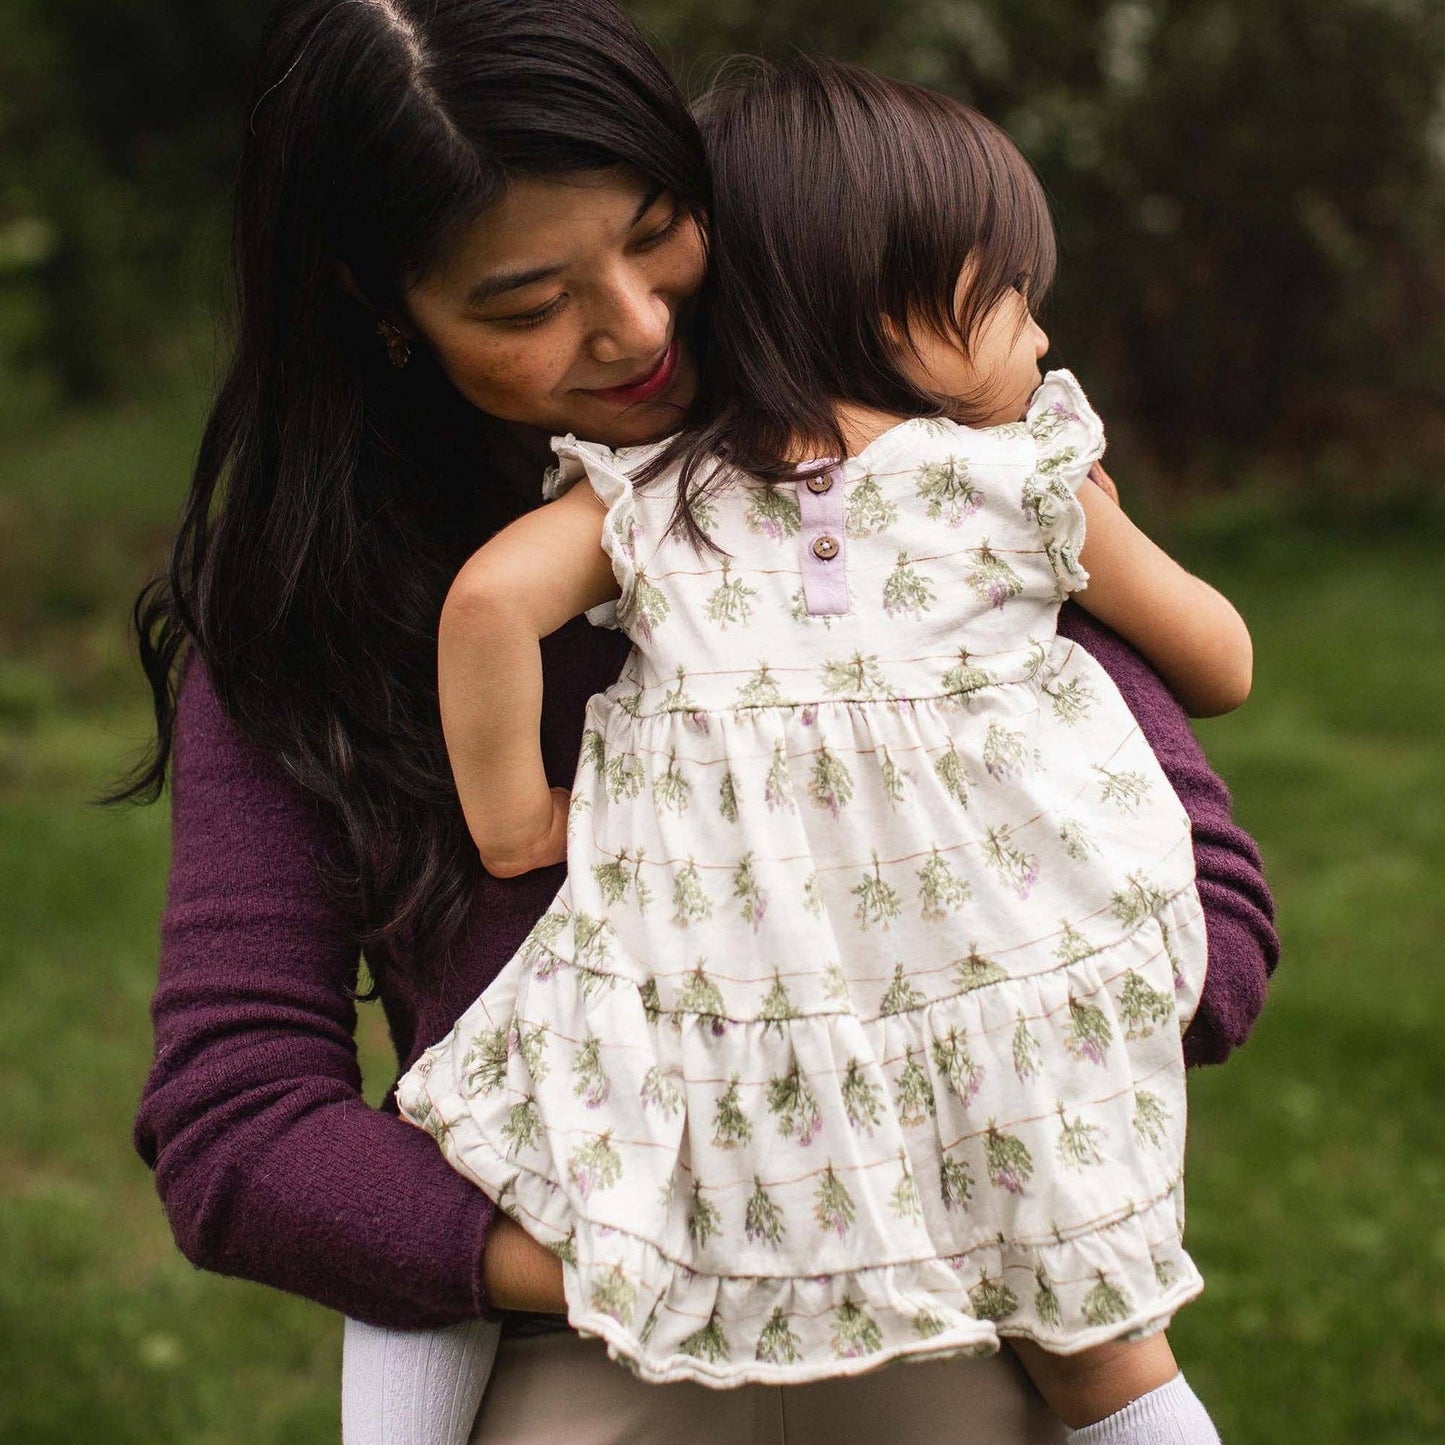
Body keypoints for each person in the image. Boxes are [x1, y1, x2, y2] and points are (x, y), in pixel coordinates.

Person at [121, 2, 1277, 1440]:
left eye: (660, 232)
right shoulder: (316, 631)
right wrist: (709, 1253)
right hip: (586, 1346)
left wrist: (934, 1135)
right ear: (381, 307)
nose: (639, 326)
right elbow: (238, 1131)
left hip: (982, 1313)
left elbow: (1213, 925)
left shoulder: (919, 491)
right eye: (526, 304)